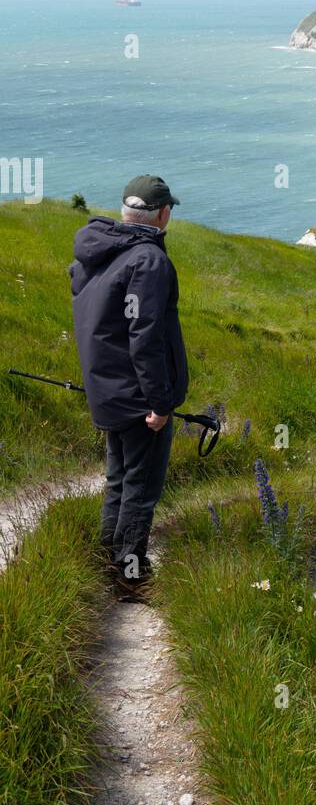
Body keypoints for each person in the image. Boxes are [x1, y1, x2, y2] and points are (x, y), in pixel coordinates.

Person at [69, 174, 188, 598]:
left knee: (119, 480)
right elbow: (146, 336)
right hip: (139, 398)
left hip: (108, 391)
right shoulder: (149, 261)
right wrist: (159, 402)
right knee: (140, 488)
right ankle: (131, 579)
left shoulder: (96, 252)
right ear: (163, 214)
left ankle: (108, 562)